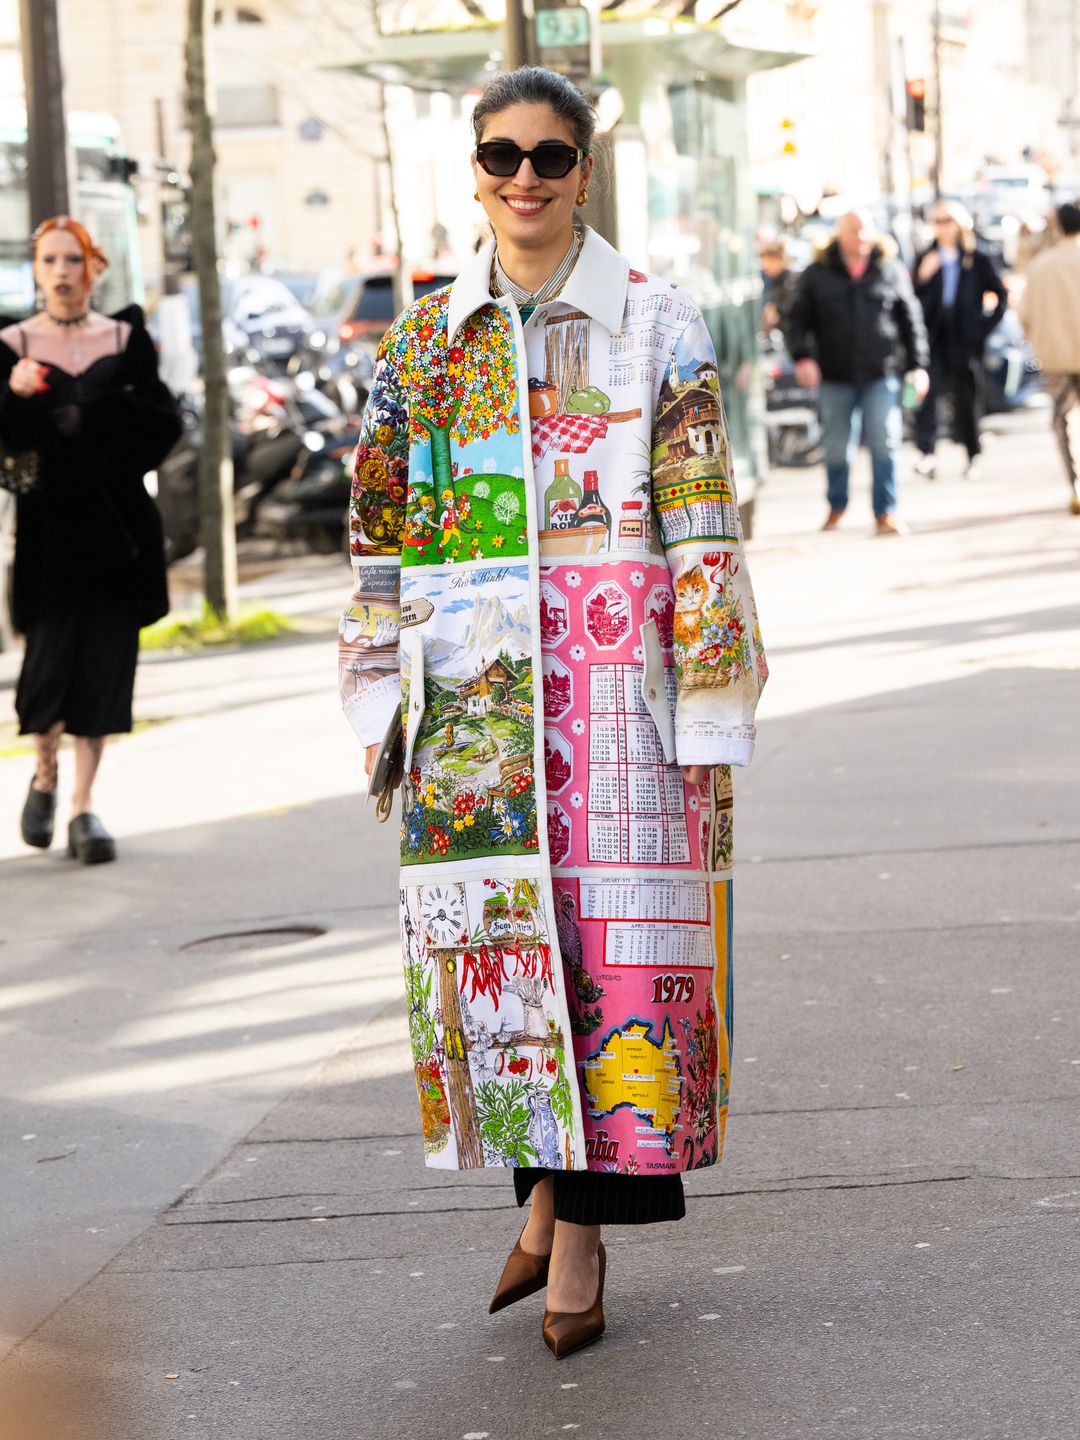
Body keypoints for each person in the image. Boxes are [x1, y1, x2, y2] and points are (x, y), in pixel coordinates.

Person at [338, 66, 767, 1358]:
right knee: (509, 966)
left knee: (619, 964)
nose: (524, 176)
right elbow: (379, 533)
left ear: (587, 170)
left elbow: (701, 518)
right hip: (475, 704)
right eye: (501, 153)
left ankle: (575, 1240)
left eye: (551, 155)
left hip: (621, 702)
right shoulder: (424, 338)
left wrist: (711, 698)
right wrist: (374, 688)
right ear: (473, 168)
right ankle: (542, 1206)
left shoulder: (657, 321)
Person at [0, 217, 180, 863]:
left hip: (119, 534)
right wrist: (12, 397)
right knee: (46, 675)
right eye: (49, 260)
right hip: (49, 539)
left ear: (92, 266)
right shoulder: (11, 343)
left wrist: (99, 415)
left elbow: (164, 426)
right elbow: (7, 455)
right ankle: (44, 773)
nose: (62, 272)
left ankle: (83, 808)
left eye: (73, 259)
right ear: (37, 268)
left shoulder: (126, 337)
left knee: (105, 675)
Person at [786, 210, 930, 533]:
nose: (861, 237)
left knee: (886, 441)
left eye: (866, 231)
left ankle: (886, 512)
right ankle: (837, 504)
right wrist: (802, 357)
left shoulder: (890, 270)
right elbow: (795, 321)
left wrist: (919, 367)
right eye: (854, 230)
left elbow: (912, 322)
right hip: (835, 376)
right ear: (839, 234)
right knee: (836, 447)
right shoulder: (816, 274)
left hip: (882, 375)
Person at [911, 201, 1008, 480]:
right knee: (929, 395)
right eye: (938, 221)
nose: (942, 227)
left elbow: (999, 295)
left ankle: (972, 454)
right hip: (934, 336)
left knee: (967, 398)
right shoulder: (927, 257)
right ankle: (927, 452)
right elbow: (910, 299)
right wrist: (922, 276)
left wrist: (983, 327)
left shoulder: (976, 258)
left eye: (947, 221)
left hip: (965, 338)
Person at [1017, 201, 1080, 515]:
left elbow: (1023, 315)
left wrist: (1040, 340)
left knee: (1061, 422)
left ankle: (1075, 483)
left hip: (1055, 358)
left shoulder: (1041, 266)